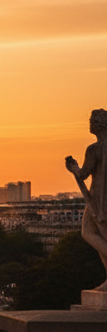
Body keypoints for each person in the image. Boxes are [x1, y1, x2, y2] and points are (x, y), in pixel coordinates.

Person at [66, 108, 107, 290]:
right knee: (99, 236)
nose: (89, 122)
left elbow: (83, 174)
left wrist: (73, 168)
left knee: (88, 233)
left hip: (98, 199)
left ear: (98, 124)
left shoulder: (95, 149)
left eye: (92, 120)